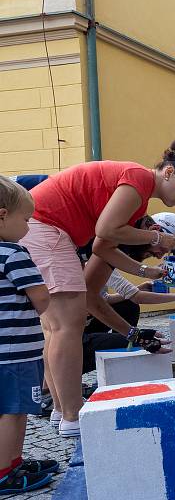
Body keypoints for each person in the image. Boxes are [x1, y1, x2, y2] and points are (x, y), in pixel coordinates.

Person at [20, 139, 175, 437]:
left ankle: (60, 409)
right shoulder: (140, 179)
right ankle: (72, 415)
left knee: (56, 327)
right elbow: (105, 232)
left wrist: (144, 274)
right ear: (169, 172)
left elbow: (102, 248)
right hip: (47, 226)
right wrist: (157, 241)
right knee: (68, 325)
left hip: (43, 226)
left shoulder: (135, 206)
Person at [80, 212, 175, 377]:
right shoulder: (103, 251)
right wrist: (136, 337)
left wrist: (145, 277)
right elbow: (92, 300)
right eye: (162, 248)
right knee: (129, 342)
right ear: (154, 231)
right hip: (73, 335)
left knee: (128, 307)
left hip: (81, 323)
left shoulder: (110, 250)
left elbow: (109, 298)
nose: (159, 255)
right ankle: (56, 382)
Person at [0, 176, 58, 494]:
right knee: (15, 410)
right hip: (17, 352)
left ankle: (12, 461)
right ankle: (6, 471)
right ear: (3, 215)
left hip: (3, 352)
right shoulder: (13, 253)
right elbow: (41, 297)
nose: (28, 227)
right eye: (26, 219)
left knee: (7, 409)